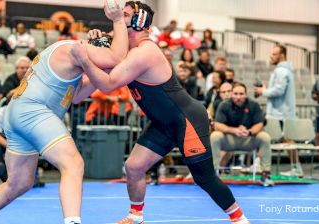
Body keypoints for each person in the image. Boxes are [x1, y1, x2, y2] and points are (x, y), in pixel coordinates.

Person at [71, 1, 249, 223]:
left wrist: (87, 59)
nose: (117, 19)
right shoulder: (123, 50)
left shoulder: (145, 52)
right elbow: (78, 96)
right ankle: (136, 215)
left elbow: (107, 85)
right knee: (134, 167)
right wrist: (95, 45)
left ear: (138, 22)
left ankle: (239, 219)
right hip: (162, 123)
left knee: (204, 178)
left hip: (187, 120)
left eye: (124, 15)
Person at [0, 1, 128, 224]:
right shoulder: (73, 48)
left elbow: (77, 96)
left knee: (19, 183)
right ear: (96, 50)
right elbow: (116, 58)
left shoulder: (74, 59)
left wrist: (97, 70)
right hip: (34, 112)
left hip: (17, 114)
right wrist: (119, 20)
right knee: (73, 164)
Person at [211, 83, 273, 186]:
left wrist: (249, 131)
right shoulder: (224, 105)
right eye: (235, 94)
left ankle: (265, 174)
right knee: (215, 136)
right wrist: (234, 130)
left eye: (241, 94)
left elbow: (260, 124)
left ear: (246, 94)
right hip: (229, 140)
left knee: (264, 137)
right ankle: (212, 174)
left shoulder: (254, 105)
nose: (238, 97)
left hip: (248, 139)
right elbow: (217, 125)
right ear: (231, 94)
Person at [254, 45, 300, 177]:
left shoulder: (281, 71)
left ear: (282, 56)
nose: (271, 56)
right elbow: (279, 88)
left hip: (279, 113)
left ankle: (258, 164)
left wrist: (263, 91)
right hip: (281, 112)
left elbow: (279, 90)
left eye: (274, 54)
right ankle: (297, 168)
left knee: (263, 137)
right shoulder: (284, 71)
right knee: (287, 141)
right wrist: (267, 89)